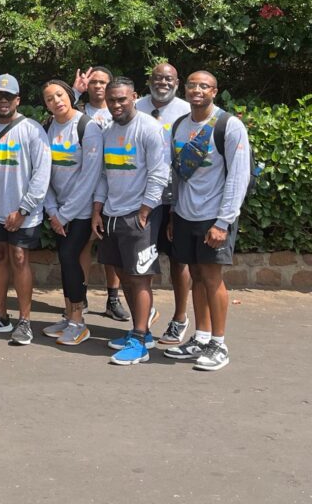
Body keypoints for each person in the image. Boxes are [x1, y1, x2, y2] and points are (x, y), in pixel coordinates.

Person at [165, 71, 251, 371]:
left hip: (214, 217)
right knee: (196, 276)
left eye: (204, 86)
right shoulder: (179, 125)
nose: (196, 90)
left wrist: (223, 222)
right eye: (192, 85)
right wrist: (175, 214)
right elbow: (177, 176)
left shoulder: (228, 126)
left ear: (215, 91)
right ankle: (200, 338)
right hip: (186, 215)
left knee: (213, 278)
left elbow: (239, 177)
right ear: (184, 89)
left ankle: (219, 343)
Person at [90, 77, 169, 366]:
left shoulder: (150, 128)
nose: (117, 105)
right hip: (111, 215)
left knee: (139, 278)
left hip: (139, 215)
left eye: (122, 99)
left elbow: (159, 174)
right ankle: (141, 333)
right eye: (112, 100)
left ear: (134, 96)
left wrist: (145, 212)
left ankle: (139, 341)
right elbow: (103, 174)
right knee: (123, 274)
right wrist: (98, 211)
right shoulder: (108, 131)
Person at [0, 75, 51, 345]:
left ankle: (24, 321)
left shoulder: (32, 129)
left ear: (18, 100)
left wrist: (24, 209)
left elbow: (42, 173)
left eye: (8, 97)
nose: (3, 101)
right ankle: (1, 316)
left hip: (23, 211)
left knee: (19, 258)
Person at [40, 80, 102, 346]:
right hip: (59, 211)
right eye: (50, 98)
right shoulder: (47, 127)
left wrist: (64, 215)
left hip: (81, 211)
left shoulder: (87, 127)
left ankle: (78, 320)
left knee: (69, 257)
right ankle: (68, 315)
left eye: (60, 95)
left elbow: (90, 176)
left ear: (70, 95)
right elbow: (44, 173)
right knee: (65, 260)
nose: (56, 101)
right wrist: (53, 210)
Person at [136, 62, 193, 346]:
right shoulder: (134, 106)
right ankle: (143, 319)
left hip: (175, 200)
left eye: (168, 78)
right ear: (149, 80)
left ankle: (180, 319)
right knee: (141, 260)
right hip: (142, 200)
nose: (163, 82)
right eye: (158, 77)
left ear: (177, 81)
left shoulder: (187, 111)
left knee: (178, 260)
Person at [73, 65, 125, 321]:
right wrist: (74, 91)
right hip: (84, 187)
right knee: (83, 243)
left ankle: (113, 299)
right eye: (93, 82)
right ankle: (80, 296)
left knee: (110, 246)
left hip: (114, 187)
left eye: (103, 82)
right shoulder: (79, 111)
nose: (97, 86)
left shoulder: (119, 111)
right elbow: (53, 119)